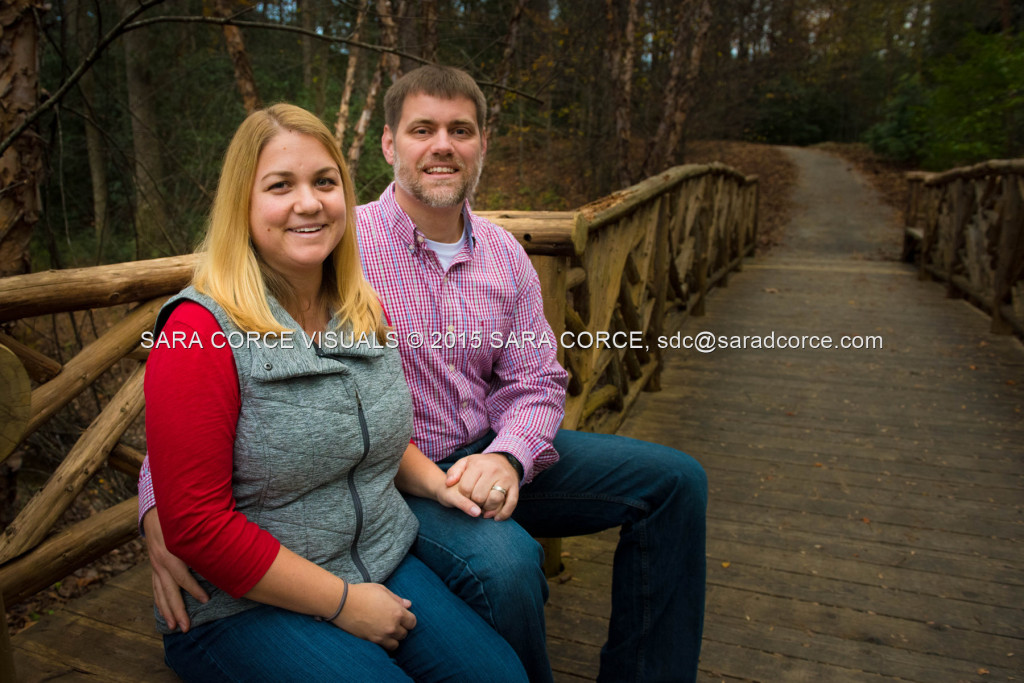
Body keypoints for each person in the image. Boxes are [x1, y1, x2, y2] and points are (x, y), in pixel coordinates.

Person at [141, 66, 708, 682]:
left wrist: (511, 455)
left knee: (675, 482)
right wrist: (157, 518)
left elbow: (538, 379)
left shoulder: (481, 256)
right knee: (509, 565)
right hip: (401, 478)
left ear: (483, 143)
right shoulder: (335, 244)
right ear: (389, 144)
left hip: (471, 466)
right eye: (422, 128)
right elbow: (195, 431)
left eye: (460, 129)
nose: (443, 145)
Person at [143, 102, 527, 682]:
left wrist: (439, 485)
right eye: (280, 186)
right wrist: (344, 603)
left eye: (325, 182)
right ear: (242, 203)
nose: (308, 202)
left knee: (500, 676)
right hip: (243, 606)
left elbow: (368, 434)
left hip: (377, 559)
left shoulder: (358, 306)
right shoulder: (197, 331)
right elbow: (196, 522)